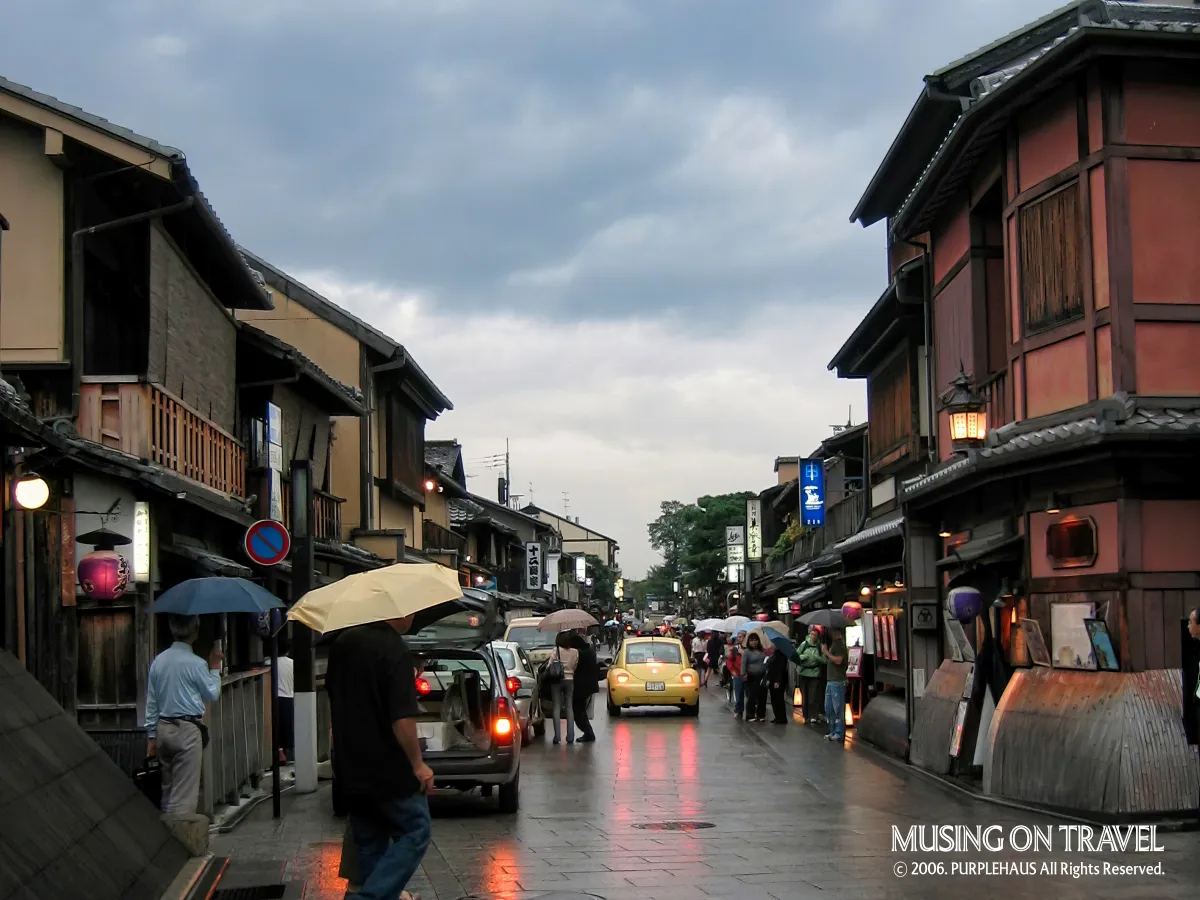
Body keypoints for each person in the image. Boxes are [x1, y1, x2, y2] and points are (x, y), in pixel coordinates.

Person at [327, 614, 433, 900]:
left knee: (370, 840)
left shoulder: (342, 644)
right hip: (388, 767)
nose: (412, 615)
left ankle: (366, 893)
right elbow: (401, 719)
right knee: (416, 830)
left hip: (351, 765)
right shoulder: (393, 648)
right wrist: (418, 764)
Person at [145, 614, 223, 814]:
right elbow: (212, 693)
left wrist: (151, 735)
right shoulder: (196, 663)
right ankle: (180, 840)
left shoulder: (158, 662)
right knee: (184, 795)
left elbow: (152, 702)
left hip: (163, 728)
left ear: (172, 630)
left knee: (168, 790)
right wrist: (214, 669)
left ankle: (165, 835)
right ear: (195, 632)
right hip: (188, 730)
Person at [549, 632, 580, 745]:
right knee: (569, 707)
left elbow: (550, 665)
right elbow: (575, 666)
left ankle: (557, 736)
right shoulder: (575, 652)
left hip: (557, 681)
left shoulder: (556, 650)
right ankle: (570, 736)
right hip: (570, 680)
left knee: (556, 706)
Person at [568, 631, 599, 743]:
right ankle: (588, 733)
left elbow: (572, 666)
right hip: (589, 685)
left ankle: (589, 733)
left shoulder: (579, 653)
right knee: (581, 710)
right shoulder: (589, 650)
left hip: (580, 686)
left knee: (578, 711)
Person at [822, 627, 849, 743]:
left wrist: (826, 653)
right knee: (829, 708)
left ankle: (839, 733)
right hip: (831, 680)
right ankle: (833, 731)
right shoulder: (834, 644)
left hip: (837, 681)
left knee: (837, 708)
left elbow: (838, 660)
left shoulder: (840, 645)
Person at [796, 627, 825, 727]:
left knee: (813, 696)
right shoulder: (804, 644)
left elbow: (824, 660)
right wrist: (802, 657)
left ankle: (813, 716)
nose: (813, 636)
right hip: (803, 672)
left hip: (814, 673)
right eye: (812, 634)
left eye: (815, 635)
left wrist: (818, 658)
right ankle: (806, 716)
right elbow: (796, 655)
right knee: (805, 696)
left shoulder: (820, 646)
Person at [741, 633, 768, 722]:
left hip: (762, 676)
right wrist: (743, 674)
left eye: (755, 640)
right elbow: (744, 664)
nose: (753, 642)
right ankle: (750, 715)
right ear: (748, 642)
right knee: (752, 696)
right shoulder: (747, 652)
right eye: (751, 640)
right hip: (752, 676)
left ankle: (761, 715)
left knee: (762, 696)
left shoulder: (762, 651)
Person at [276, 650, 295, 762]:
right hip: (290, 696)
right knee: (290, 728)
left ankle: (281, 754)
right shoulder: (292, 663)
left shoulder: (271, 662)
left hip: (278, 697)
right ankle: (289, 755)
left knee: (279, 728)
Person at [767, 639, 790, 724]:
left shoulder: (781, 655)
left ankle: (781, 717)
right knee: (774, 699)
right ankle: (777, 716)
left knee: (778, 699)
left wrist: (778, 680)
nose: (771, 645)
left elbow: (781, 669)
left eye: (773, 643)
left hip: (778, 680)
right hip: (772, 679)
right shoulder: (774, 654)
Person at [726, 637, 744, 719]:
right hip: (738, 674)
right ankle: (738, 710)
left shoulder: (751, 649)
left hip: (750, 674)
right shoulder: (735, 649)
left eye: (741, 637)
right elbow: (729, 661)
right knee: (739, 693)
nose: (739, 638)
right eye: (738, 637)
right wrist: (732, 671)